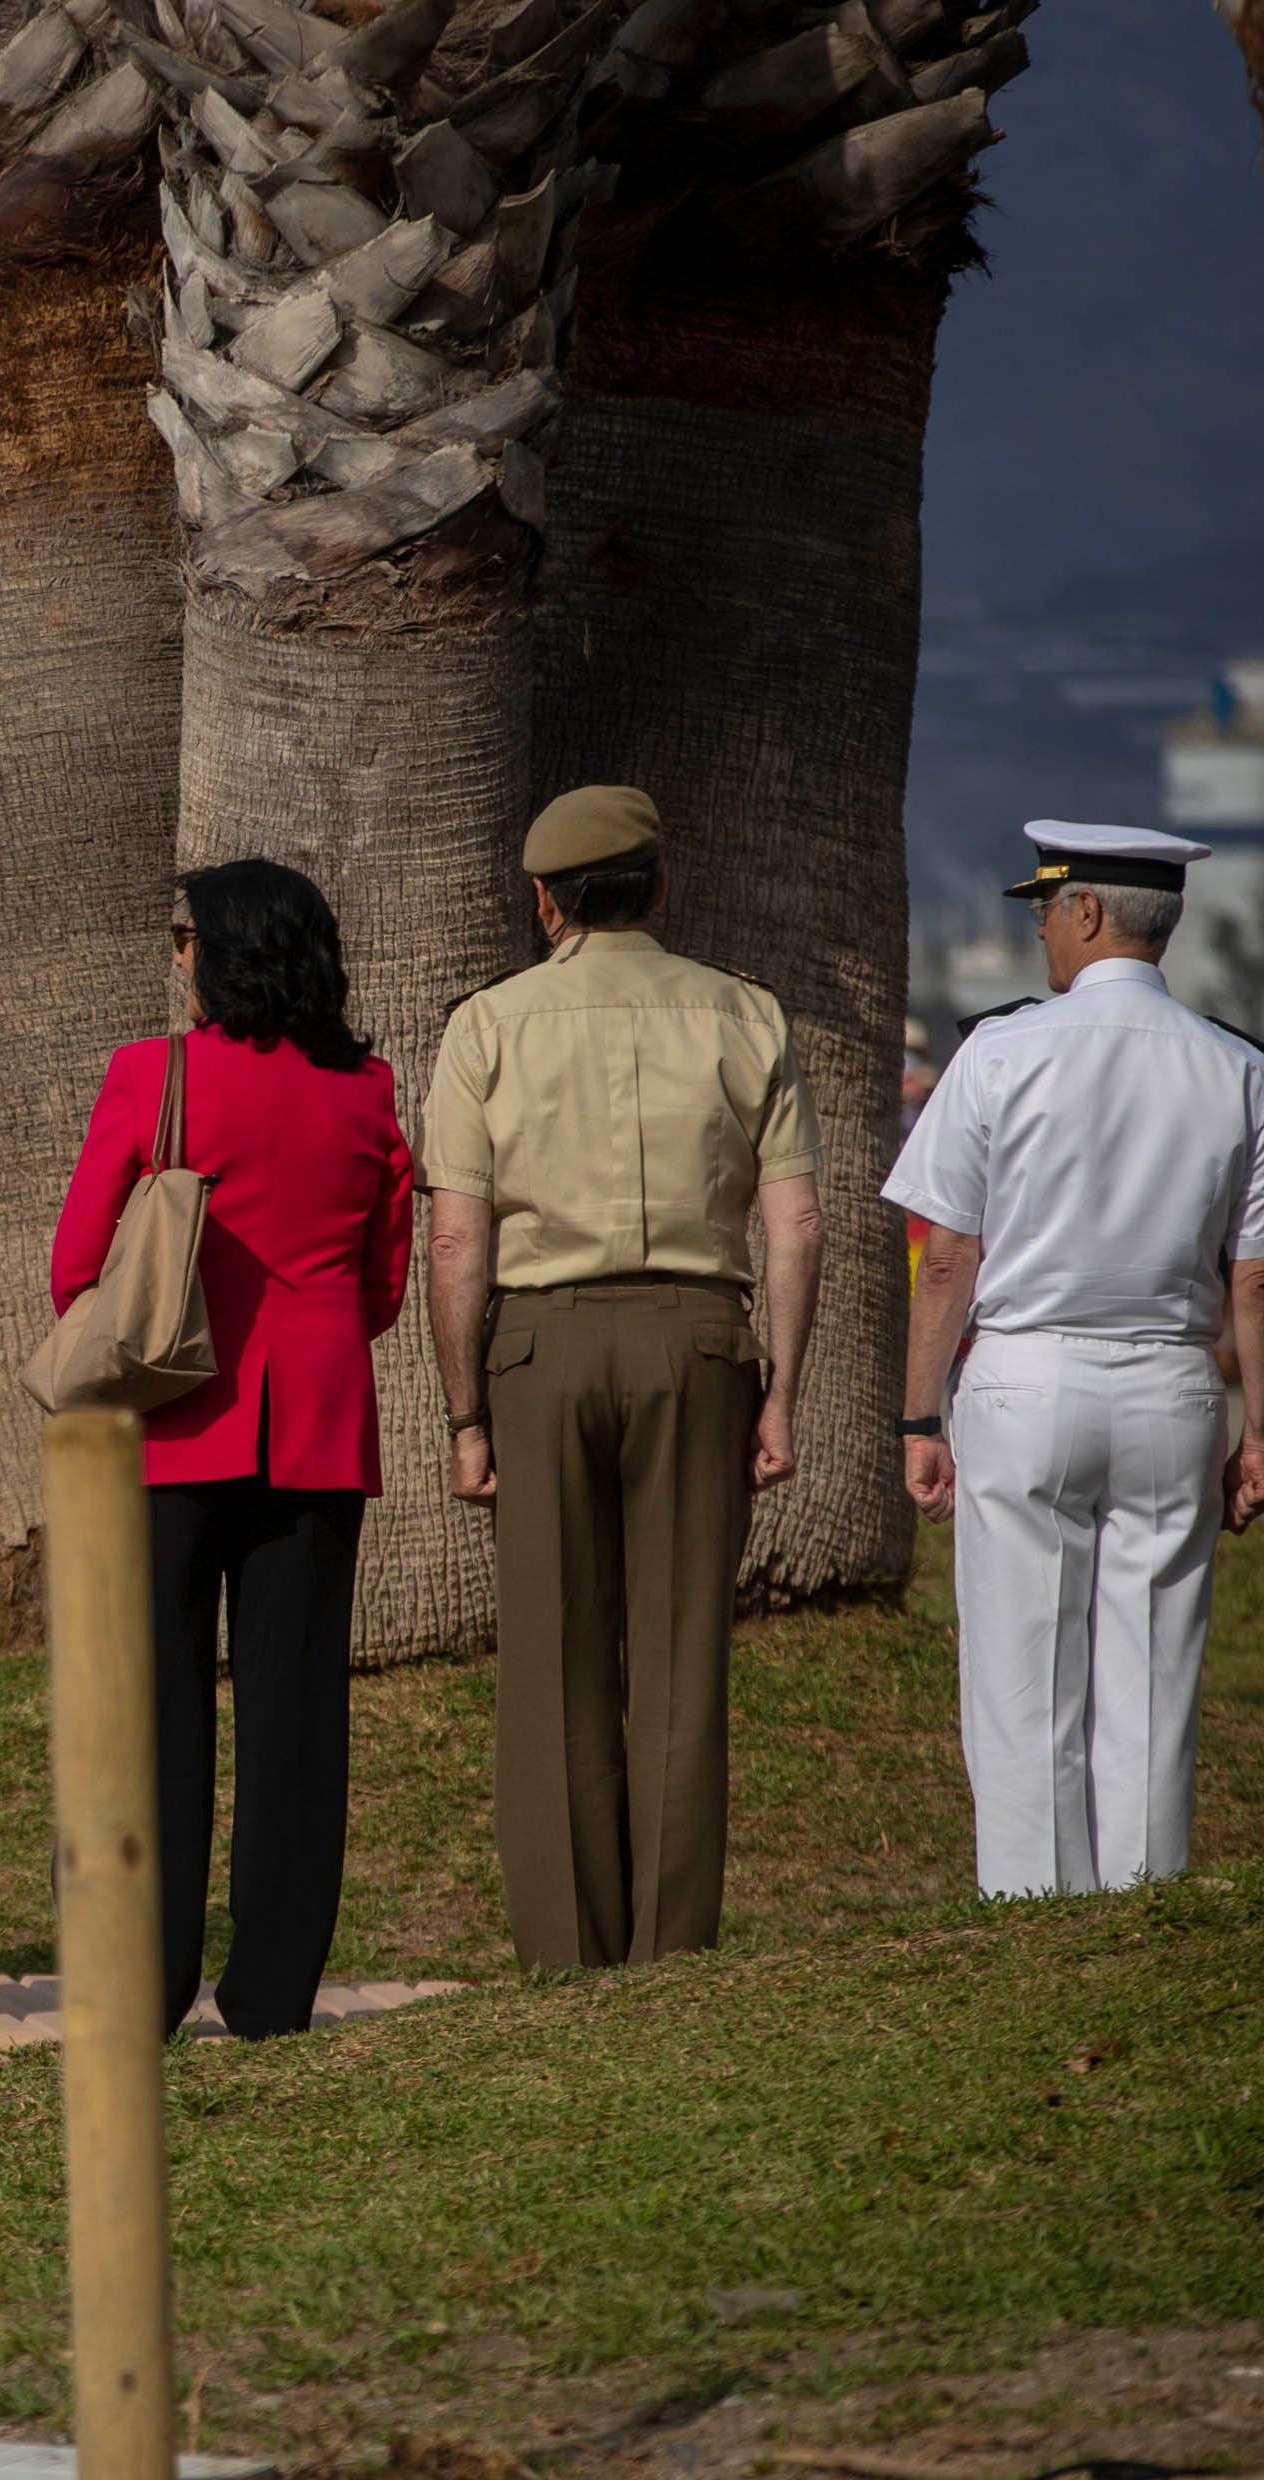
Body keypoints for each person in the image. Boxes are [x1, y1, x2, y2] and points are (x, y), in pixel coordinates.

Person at [425, 786, 823, 1973]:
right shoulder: (743, 1014)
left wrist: (463, 1415)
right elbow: (794, 1226)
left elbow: (455, 1242)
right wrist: (782, 1394)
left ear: (543, 901)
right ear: (659, 886)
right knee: (681, 1654)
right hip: (700, 1339)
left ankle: (564, 1950)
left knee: (551, 1659)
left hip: (540, 1346)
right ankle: (671, 1950)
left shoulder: (486, 1025)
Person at [49, 861, 414, 2040]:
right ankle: (270, 1992)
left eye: (183, 936)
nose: (175, 955)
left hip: (167, 1427)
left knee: (154, 1710)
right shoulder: (365, 1092)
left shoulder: (148, 1074)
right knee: (296, 1718)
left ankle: (145, 1984)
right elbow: (382, 1287)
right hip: (313, 1425)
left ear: (219, 954)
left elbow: (75, 1269)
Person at [886, 822, 1264, 1898]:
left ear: (1088, 913)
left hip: (1024, 1377)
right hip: (1168, 1381)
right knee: (1153, 1676)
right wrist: (1260, 1435)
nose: (1041, 933)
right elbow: (1254, 1276)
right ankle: (1144, 1898)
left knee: (1022, 1673)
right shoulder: (1236, 1064)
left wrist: (920, 1420)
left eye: (1045, 911)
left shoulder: (1000, 1052)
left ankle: (1029, 1906)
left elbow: (946, 1264)